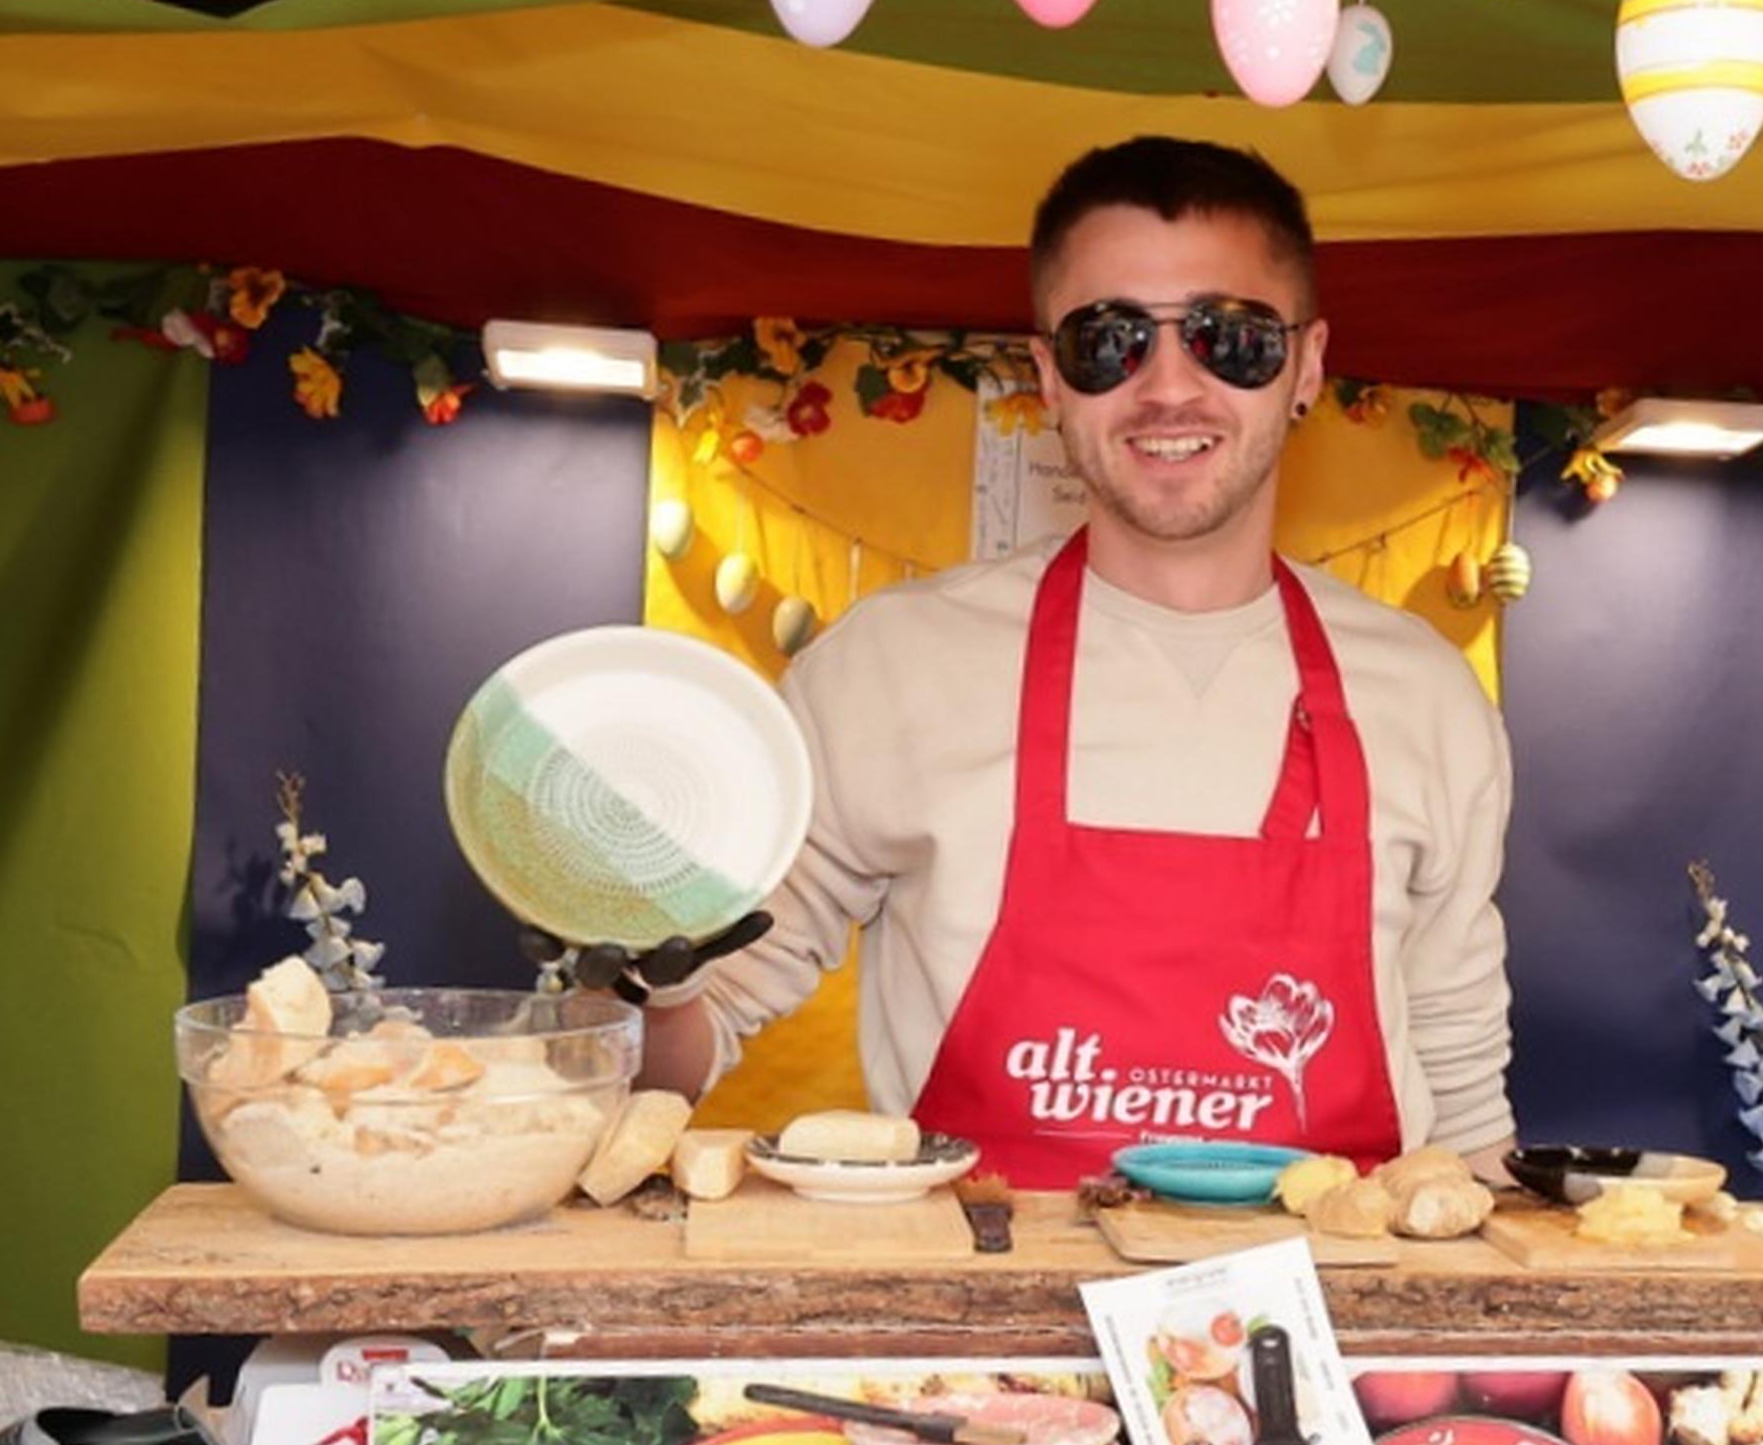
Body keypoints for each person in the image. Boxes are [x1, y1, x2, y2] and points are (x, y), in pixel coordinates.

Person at [634, 135, 1518, 1189]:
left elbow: (1464, 1106)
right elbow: (696, 1026)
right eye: (1110, 343)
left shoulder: (1425, 698)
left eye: (1228, 338)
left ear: (1308, 365)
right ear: (1050, 376)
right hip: (986, 1342)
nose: (1168, 387)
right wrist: (630, 953)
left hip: (1327, 1335)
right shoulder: (893, 668)